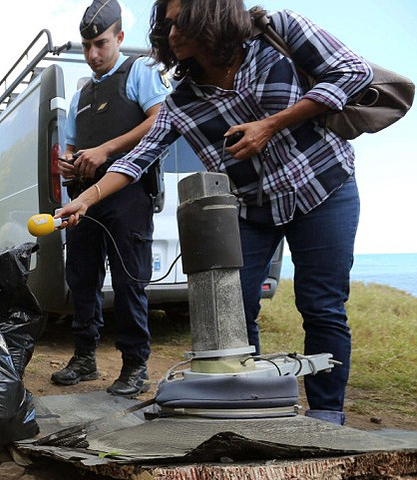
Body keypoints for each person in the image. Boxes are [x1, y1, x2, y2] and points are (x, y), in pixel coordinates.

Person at [58, 0, 373, 424]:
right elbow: (137, 160)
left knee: (321, 305)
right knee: (234, 312)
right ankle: (261, 405)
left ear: (213, 14)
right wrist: (85, 199)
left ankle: (326, 414)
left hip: (323, 191)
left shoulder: (278, 34)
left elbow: (354, 73)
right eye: (165, 26)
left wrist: (272, 124)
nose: (171, 35)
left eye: (180, 22)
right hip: (253, 209)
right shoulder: (181, 102)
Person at [51, 0, 172, 396]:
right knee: (82, 279)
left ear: (119, 37)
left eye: (101, 44)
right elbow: (68, 149)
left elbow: (160, 120)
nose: (92, 54)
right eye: (87, 46)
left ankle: (135, 365)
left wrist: (106, 150)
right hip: (84, 199)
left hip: (130, 196)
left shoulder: (139, 72)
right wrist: (68, 164)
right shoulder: (80, 95)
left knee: (128, 281)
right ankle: (84, 357)